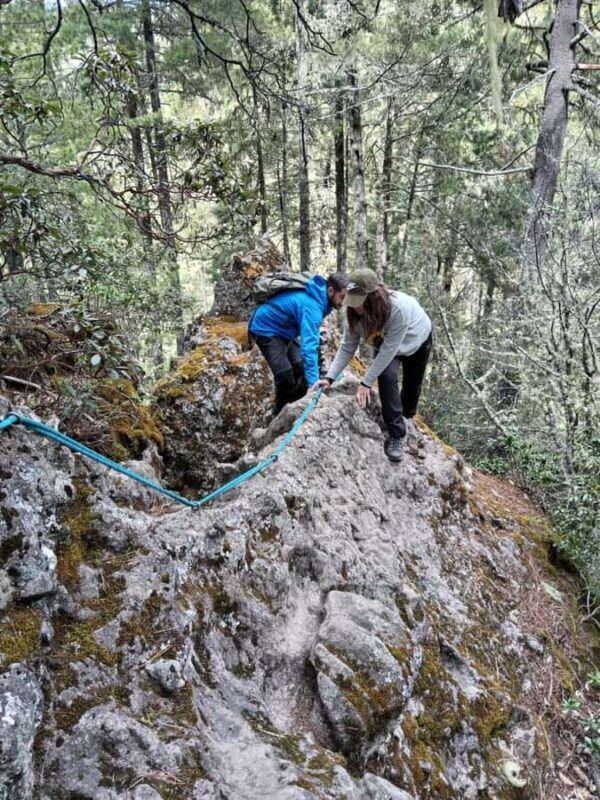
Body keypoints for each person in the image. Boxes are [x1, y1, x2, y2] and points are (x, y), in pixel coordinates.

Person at [317, 268, 432, 462]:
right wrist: (329, 377)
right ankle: (397, 434)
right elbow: (347, 347)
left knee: (412, 387)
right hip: (387, 342)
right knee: (386, 377)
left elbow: (389, 350)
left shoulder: (398, 309)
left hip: (417, 340)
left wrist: (366, 383)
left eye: (359, 302)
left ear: (372, 297)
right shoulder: (353, 313)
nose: (355, 307)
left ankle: (407, 416)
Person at [250, 272, 348, 414]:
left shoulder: (320, 298)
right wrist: (313, 385)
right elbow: (309, 348)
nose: (343, 302)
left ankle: (298, 407)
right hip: (266, 328)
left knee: (301, 368)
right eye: (342, 297)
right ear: (331, 290)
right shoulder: (313, 306)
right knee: (285, 376)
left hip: (285, 330)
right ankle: (279, 415)